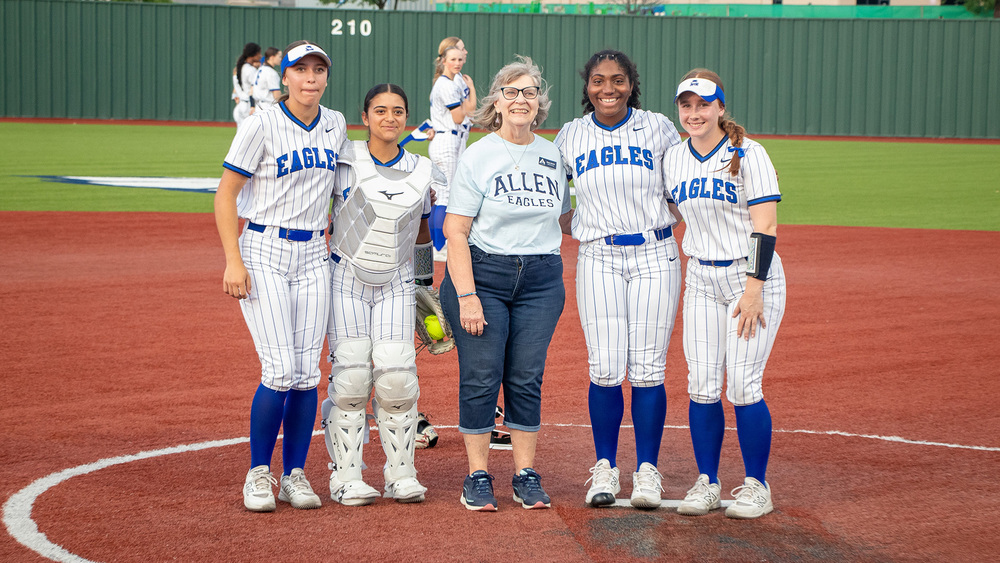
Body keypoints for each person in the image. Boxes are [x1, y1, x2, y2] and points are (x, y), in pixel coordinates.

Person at [214, 40, 344, 512]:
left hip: (314, 252)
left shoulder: (334, 124)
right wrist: (233, 259)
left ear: (326, 77)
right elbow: (226, 193)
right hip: (264, 248)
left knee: (308, 374)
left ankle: (295, 475)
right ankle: (258, 472)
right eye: (301, 70)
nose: (310, 78)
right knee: (280, 369)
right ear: (283, 77)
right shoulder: (260, 124)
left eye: (318, 70)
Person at [440, 56, 572, 512]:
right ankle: (477, 476)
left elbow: (560, 218)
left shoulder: (552, 154)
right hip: (485, 276)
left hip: (540, 279)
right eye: (511, 92)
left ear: (540, 103)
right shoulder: (479, 154)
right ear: (496, 101)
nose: (520, 100)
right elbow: (455, 229)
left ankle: (524, 475)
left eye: (529, 93)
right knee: (481, 377)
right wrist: (468, 296)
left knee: (526, 378)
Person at [554, 50, 683, 510]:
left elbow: (681, 189)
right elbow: (552, 205)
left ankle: (647, 470)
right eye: (598, 80)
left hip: (654, 253)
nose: (608, 88)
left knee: (648, 368)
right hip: (599, 257)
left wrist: (661, 221)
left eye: (618, 80)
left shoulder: (659, 127)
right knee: (605, 367)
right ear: (586, 87)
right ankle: (605, 467)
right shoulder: (570, 136)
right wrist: (583, 224)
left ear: (632, 84)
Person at [665, 69, 787, 519]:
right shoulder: (674, 158)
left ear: (720, 107)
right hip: (700, 278)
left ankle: (756, 485)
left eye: (703, 104)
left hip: (748, 279)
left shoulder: (748, 153)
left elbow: (766, 225)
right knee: (702, 386)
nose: (694, 113)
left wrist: (754, 289)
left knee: (743, 385)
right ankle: (708, 482)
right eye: (686, 105)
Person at [320, 83, 447, 506]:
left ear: (406, 118)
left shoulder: (424, 169)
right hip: (346, 277)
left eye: (397, 111)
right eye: (380, 110)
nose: (389, 118)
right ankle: (346, 475)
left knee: (397, 378)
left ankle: (401, 473)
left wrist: (426, 286)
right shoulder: (344, 161)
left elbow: (425, 231)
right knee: (352, 376)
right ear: (365, 116)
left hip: (397, 280)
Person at [427, 39, 477, 261]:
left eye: (460, 59)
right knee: (444, 194)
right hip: (446, 139)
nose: (458, 62)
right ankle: (438, 246)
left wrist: (468, 100)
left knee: (444, 193)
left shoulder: (453, 80)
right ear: (444, 61)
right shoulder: (445, 84)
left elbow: (469, 112)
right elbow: (459, 116)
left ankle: (437, 244)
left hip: (453, 139)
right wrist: (468, 100)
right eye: (453, 59)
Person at [232, 42, 261, 127]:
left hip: (242, 103)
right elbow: (254, 89)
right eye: (259, 53)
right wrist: (253, 106)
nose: (260, 56)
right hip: (249, 105)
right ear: (253, 54)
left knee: (241, 134)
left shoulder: (241, 67)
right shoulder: (250, 70)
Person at [252, 47, 283, 113]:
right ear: (272, 57)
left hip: (258, 106)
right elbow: (276, 93)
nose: (280, 59)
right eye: (279, 56)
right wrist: (282, 108)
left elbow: (251, 90)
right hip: (268, 107)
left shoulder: (260, 69)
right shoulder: (271, 72)